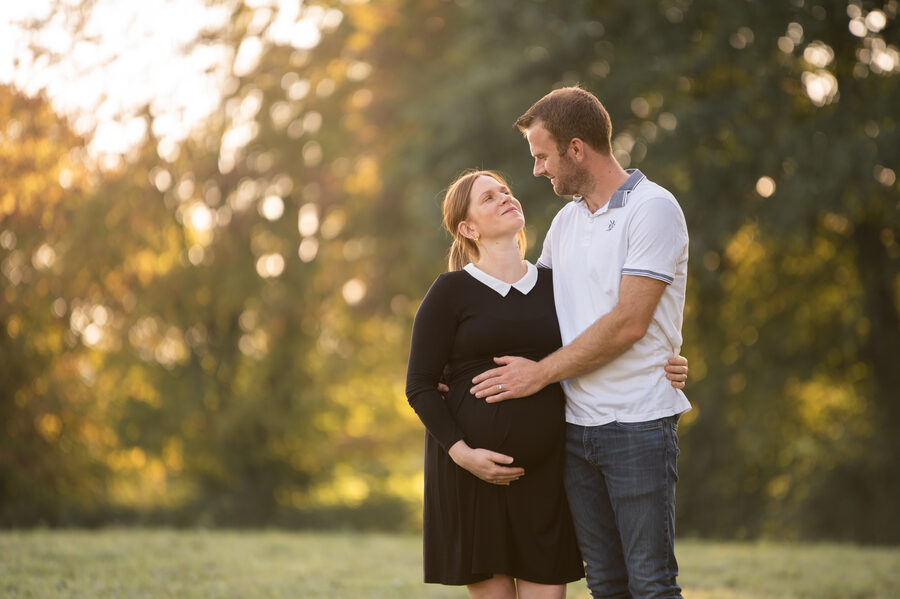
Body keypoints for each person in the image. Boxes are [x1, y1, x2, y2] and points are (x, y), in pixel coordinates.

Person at [406, 168, 688, 598]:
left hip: (547, 475)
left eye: (505, 191)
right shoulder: (449, 291)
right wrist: (463, 454)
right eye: (488, 198)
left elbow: (605, 330)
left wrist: (665, 360)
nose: (505, 198)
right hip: (472, 475)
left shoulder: (555, 285)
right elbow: (420, 385)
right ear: (468, 229)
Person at [469, 86, 691, 598]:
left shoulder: (653, 209)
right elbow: (528, 311)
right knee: (606, 584)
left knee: (652, 584)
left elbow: (630, 322)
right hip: (573, 430)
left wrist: (539, 374)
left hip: (637, 424)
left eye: (542, 156)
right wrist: (454, 367)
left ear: (575, 148)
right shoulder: (566, 221)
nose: (537, 170)